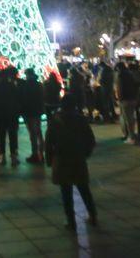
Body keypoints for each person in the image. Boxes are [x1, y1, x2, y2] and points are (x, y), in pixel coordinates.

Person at [45, 92, 97, 231]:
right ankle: (93, 215)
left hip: (62, 159)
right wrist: (85, 153)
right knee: (84, 188)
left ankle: (71, 220)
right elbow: (90, 140)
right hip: (78, 158)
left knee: (66, 192)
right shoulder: (80, 120)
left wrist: (49, 160)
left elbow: (49, 142)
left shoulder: (55, 121)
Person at [0, 67, 21, 165]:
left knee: (1, 136)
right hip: (12, 115)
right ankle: (13, 157)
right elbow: (17, 100)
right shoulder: (12, 86)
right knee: (13, 136)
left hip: (0, 115)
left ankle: (2, 156)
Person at [20, 68, 45, 164]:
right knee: (38, 132)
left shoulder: (26, 85)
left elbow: (24, 99)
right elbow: (42, 96)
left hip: (29, 112)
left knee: (32, 134)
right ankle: (41, 154)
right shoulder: (39, 84)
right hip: (37, 111)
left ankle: (35, 154)